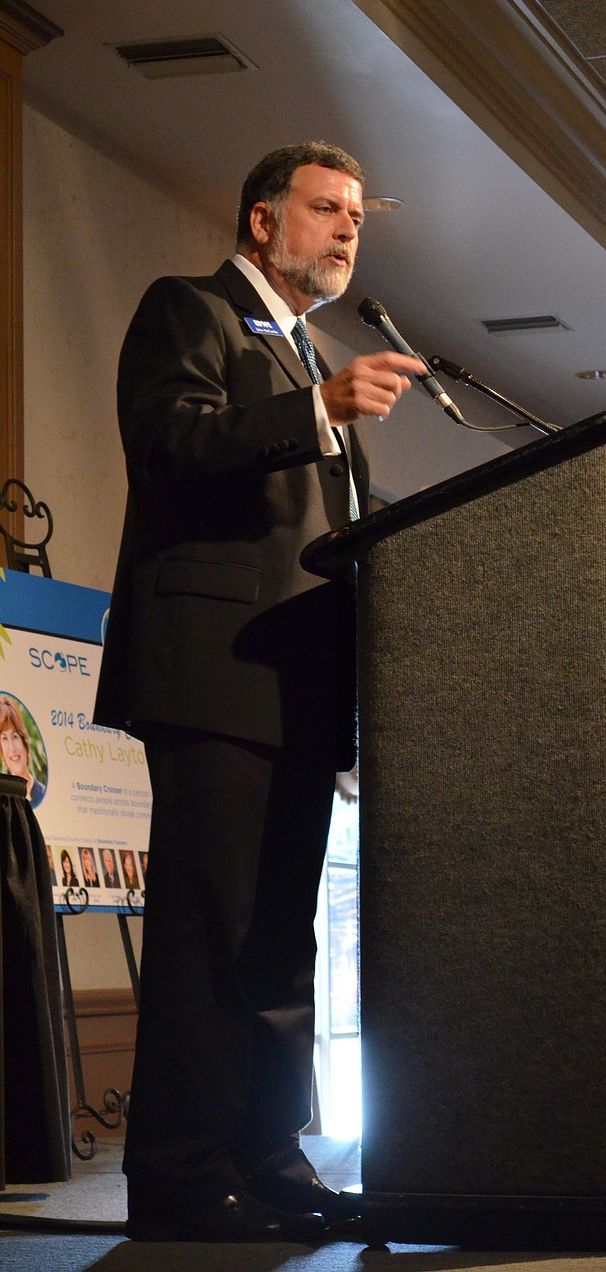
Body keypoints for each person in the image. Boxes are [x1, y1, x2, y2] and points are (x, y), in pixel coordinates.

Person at [93, 141, 426, 1243]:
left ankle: (271, 1155)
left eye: (356, 218)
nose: (345, 229)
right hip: (212, 671)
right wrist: (319, 407)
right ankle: (182, 1176)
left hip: (297, 684)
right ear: (259, 220)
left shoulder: (309, 350)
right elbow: (170, 443)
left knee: (283, 941)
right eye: (326, 209)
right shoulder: (189, 310)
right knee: (212, 933)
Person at [0, 695, 46, 808]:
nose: (12, 748)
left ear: (24, 742)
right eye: (4, 738)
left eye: (15, 736)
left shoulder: (41, 793)